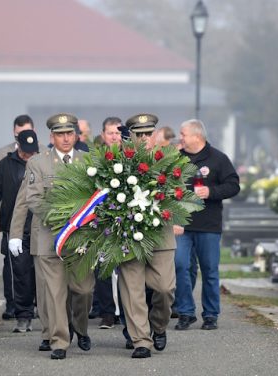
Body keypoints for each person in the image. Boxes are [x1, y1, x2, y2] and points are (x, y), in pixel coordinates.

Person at [9, 113, 94, 360]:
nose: (66, 139)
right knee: (55, 293)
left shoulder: (87, 161)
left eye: (69, 133)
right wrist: (16, 233)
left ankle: (80, 328)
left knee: (84, 290)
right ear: (51, 136)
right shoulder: (38, 163)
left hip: (80, 239)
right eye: (60, 134)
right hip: (48, 238)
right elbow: (29, 199)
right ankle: (59, 341)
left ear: (76, 135)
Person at [117, 113, 175, 359]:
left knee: (164, 288)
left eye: (147, 134)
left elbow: (178, 194)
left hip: (160, 236)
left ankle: (158, 326)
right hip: (128, 236)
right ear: (130, 136)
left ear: (154, 135)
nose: (143, 139)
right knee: (133, 290)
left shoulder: (167, 161)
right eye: (138, 134)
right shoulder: (117, 165)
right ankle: (141, 340)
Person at [173, 119, 240, 331]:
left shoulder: (218, 159)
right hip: (182, 225)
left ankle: (211, 314)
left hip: (208, 225)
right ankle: (185, 312)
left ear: (197, 136)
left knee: (209, 270)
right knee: (180, 265)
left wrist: (211, 192)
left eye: (183, 134)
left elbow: (233, 185)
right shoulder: (176, 159)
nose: (180, 138)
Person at [0, 129, 39, 332]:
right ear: (18, 147)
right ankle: (23, 314)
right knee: (20, 271)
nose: (28, 156)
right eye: (25, 153)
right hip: (15, 227)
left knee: (39, 270)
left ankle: (42, 310)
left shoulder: (42, 163)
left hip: (39, 225)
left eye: (32, 153)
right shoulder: (6, 165)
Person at [91, 117, 123, 329]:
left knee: (125, 267)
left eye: (118, 133)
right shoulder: (95, 159)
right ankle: (107, 312)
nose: (114, 136)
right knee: (102, 267)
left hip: (125, 219)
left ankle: (125, 309)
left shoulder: (130, 157)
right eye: (110, 133)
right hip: (102, 219)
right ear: (103, 135)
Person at [0, 115, 35, 185]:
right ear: (14, 132)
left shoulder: (44, 152)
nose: (23, 137)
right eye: (19, 133)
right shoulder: (2, 154)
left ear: (34, 131)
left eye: (26, 133)